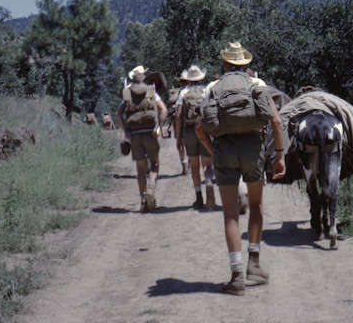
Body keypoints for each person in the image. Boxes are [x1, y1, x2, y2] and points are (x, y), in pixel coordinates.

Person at [196, 42, 286, 296]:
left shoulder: (212, 88)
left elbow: (200, 129)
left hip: (224, 149)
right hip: (253, 148)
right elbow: (276, 122)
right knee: (256, 207)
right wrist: (280, 156)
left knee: (231, 214)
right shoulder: (257, 85)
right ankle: (254, 264)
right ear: (246, 64)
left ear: (225, 64)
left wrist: (215, 153)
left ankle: (236, 276)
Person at [116, 67, 167, 213]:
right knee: (155, 164)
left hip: (135, 136)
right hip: (150, 134)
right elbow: (163, 110)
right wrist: (159, 127)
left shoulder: (127, 93)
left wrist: (126, 131)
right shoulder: (151, 91)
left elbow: (118, 114)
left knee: (140, 170)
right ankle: (151, 188)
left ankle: (143, 200)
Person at [174, 65, 216, 209]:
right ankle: (209, 181)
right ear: (201, 78)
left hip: (190, 131)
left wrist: (178, 137)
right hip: (205, 129)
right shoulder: (207, 90)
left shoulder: (183, 92)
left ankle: (199, 198)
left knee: (194, 165)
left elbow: (178, 116)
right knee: (207, 164)